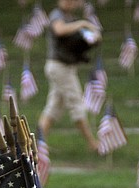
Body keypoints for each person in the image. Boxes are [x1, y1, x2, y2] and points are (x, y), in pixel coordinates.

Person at [37, 0, 101, 153]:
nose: (70, 2)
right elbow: (59, 30)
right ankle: (92, 144)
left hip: (66, 66)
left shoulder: (70, 18)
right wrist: (82, 24)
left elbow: (84, 38)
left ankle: (37, 144)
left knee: (54, 107)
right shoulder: (57, 15)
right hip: (59, 66)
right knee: (76, 103)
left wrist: (92, 37)